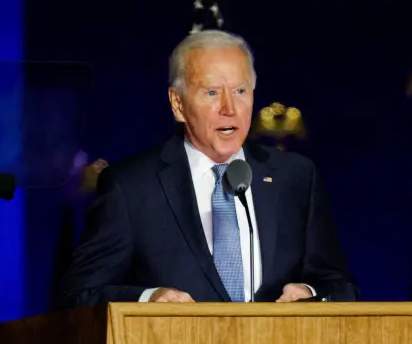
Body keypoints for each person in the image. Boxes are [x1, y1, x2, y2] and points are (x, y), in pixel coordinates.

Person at [55, 30, 358, 307]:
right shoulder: (131, 187)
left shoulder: (296, 178)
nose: (229, 108)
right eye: (212, 92)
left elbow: (340, 286)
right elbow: (78, 294)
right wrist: (148, 299)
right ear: (178, 104)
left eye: (240, 91)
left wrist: (310, 292)